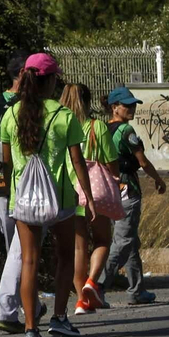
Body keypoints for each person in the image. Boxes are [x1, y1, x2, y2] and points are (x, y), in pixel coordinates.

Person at [0, 53, 95, 337]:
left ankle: (30, 329)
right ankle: (59, 317)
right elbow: (77, 161)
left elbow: (6, 162)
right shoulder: (63, 115)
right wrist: (88, 196)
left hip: (23, 199)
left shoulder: (10, 115)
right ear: (51, 80)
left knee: (29, 261)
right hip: (61, 199)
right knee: (65, 256)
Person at [0, 51, 45, 333]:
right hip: (27, 185)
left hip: (2, 182)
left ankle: (27, 304)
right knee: (21, 251)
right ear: (23, 73)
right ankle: (12, 307)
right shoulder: (33, 106)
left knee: (17, 249)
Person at [59, 82, 119, 315]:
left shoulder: (60, 125)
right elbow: (111, 161)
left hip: (68, 191)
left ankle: (81, 301)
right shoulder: (97, 127)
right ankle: (91, 283)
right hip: (94, 191)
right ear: (87, 101)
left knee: (78, 247)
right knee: (103, 240)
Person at [103, 87, 165, 305]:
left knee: (129, 241)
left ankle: (137, 290)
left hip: (109, 190)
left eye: (133, 105)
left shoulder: (104, 129)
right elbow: (142, 162)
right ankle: (98, 285)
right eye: (126, 105)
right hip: (127, 188)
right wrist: (158, 179)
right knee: (123, 241)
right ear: (114, 107)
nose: (132, 109)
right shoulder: (126, 131)